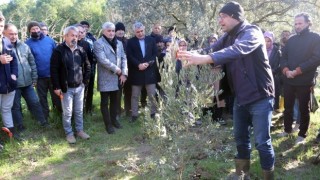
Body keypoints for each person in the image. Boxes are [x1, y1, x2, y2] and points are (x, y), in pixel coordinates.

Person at [178, 2, 275, 179]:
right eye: (219, 16)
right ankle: (242, 174)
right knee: (240, 138)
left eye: (223, 16)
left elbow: (237, 50)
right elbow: (210, 49)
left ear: (235, 16)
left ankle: (268, 176)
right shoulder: (227, 35)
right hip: (240, 97)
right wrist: (187, 54)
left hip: (260, 96)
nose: (219, 20)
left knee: (262, 142)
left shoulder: (252, 32)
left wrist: (205, 58)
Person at [279, 12, 320, 145]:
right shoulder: (291, 39)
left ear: (308, 23)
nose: (297, 26)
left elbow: (316, 59)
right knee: (288, 106)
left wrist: (297, 71)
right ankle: (287, 129)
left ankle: (302, 134)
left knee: (303, 108)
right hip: (289, 79)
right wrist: (286, 71)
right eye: (296, 23)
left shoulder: (315, 38)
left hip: (304, 80)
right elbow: (283, 57)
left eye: (300, 23)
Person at [4, 23, 48, 132]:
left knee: (35, 102)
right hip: (14, 85)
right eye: (11, 34)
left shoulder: (24, 46)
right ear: (4, 34)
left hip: (28, 83)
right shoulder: (3, 47)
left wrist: (34, 78)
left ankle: (42, 122)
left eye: (15, 34)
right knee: (16, 107)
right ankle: (19, 127)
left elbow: (32, 63)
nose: (13, 36)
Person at [50, 26, 91, 144]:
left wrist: (85, 82)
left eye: (77, 36)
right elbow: (54, 70)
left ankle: (80, 130)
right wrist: (56, 87)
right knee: (67, 112)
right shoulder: (59, 50)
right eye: (72, 35)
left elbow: (88, 66)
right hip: (65, 88)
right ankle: (69, 133)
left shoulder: (81, 50)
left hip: (79, 87)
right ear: (65, 36)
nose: (75, 38)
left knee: (79, 110)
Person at [94, 22, 127, 134]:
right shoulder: (98, 43)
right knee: (104, 103)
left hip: (118, 77)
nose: (111, 33)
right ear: (103, 31)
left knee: (115, 101)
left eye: (113, 30)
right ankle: (108, 125)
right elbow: (102, 60)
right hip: (106, 78)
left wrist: (124, 73)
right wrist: (117, 70)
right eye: (109, 30)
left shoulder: (119, 43)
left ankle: (114, 121)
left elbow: (124, 58)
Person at [25, 21, 61, 122]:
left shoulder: (50, 40)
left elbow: (56, 56)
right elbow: (28, 61)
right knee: (42, 99)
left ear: (40, 29)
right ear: (29, 31)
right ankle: (44, 119)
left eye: (37, 28)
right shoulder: (27, 44)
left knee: (57, 98)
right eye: (33, 29)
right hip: (39, 77)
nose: (36, 31)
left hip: (53, 75)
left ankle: (61, 116)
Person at [127, 22, 159, 122]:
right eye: (137, 32)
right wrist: (138, 65)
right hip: (136, 73)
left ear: (144, 29)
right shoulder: (130, 42)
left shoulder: (151, 40)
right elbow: (129, 56)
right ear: (134, 32)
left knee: (152, 95)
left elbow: (155, 54)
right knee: (135, 95)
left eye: (141, 31)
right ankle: (134, 115)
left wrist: (148, 64)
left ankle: (153, 114)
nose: (140, 33)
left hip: (150, 72)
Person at [0, 12, 19, 140]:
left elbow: (14, 62)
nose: (0, 27)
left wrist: (14, 75)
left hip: (8, 84)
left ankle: (11, 136)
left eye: (1, 25)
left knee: (7, 109)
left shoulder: (5, 41)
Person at [80, 21, 96, 114]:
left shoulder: (92, 38)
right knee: (82, 89)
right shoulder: (77, 40)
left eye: (86, 27)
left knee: (90, 88)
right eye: (83, 27)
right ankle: (81, 110)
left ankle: (89, 108)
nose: (85, 28)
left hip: (91, 66)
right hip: (81, 69)